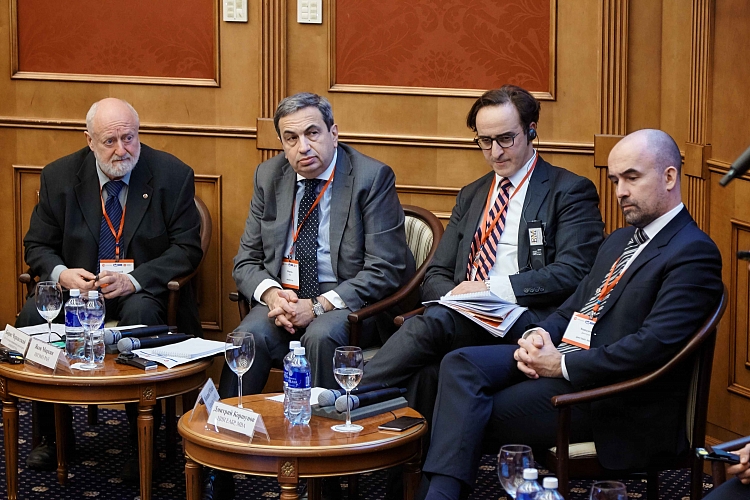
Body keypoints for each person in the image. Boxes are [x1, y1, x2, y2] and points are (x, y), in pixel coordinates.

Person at [419, 129, 724, 500]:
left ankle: (436, 495)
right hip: (565, 360)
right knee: (457, 365)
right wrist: (538, 337)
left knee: (464, 411)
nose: (620, 192)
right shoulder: (620, 240)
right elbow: (574, 306)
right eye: (615, 180)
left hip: (610, 396)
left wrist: (560, 365)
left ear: (670, 177)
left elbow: (651, 347)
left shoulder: (693, 253)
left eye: (631, 178)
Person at [360, 85, 604, 424]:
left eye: (506, 139)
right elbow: (436, 273)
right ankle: (397, 458)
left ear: (531, 131)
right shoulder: (472, 194)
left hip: (529, 320)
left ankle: (346, 398)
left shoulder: (568, 191)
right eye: (485, 141)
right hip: (465, 317)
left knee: (434, 323)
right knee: (426, 373)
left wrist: (489, 290)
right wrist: (461, 300)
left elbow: (574, 272)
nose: (495, 152)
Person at [18, 97, 203, 478]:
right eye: (110, 141)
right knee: (32, 316)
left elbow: (187, 249)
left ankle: (141, 441)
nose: (122, 150)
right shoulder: (59, 176)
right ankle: (52, 437)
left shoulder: (172, 175)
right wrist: (61, 274)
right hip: (77, 293)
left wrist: (133, 279)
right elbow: (36, 245)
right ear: (89, 141)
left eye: (129, 138)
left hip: (142, 292)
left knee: (140, 316)